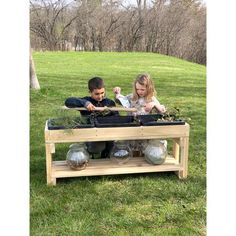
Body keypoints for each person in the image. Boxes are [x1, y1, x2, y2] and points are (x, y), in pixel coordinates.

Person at [113, 73, 167, 156]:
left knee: (145, 151)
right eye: (137, 89)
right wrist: (117, 94)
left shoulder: (151, 99)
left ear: (149, 88)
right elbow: (120, 101)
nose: (139, 91)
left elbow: (163, 111)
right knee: (131, 150)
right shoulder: (132, 97)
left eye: (142, 89)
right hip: (132, 128)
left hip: (145, 131)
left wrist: (154, 104)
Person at [65, 76, 118, 158]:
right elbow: (68, 101)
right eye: (97, 94)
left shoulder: (109, 102)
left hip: (107, 133)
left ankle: (105, 156)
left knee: (111, 146)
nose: (100, 96)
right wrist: (85, 103)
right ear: (90, 92)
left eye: (102, 93)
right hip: (91, 134)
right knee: (96, 148)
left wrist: (108, 110)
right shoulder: (86, 101)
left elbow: (117, 117)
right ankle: (89, 154)